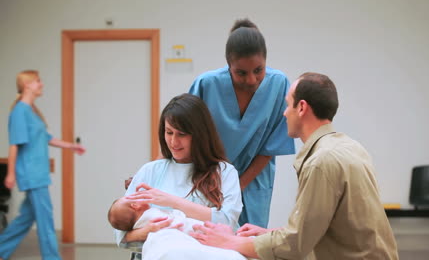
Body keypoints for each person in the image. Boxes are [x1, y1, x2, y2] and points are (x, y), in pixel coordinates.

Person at [190, 73, 399, 259]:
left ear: (301, 108)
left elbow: (296, 245)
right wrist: (269, 235)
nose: (284, 113)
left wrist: (231, 242)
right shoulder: (350, 147)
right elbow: (317, 228)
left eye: (288, 104)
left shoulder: (321, 162)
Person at [189, 18, 295, 228]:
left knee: (249, 242)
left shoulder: (279, 83)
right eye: (241, 73)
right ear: (229, 66)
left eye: (258, 70)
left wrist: (238, 185)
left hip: (254, 180)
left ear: (266, 60)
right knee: (207, 238)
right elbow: (182, 133)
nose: (251, 80)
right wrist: (153, 172)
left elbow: (271, 146)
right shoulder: (206, 84)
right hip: (210, 180)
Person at [114, 93, 243, 249]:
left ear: (200, 135)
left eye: (182, 134)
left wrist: (172, 201)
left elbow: (227, 222)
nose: (174, 142)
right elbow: (121, 233)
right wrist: (147, 232)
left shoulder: (224, 172)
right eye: (169, 133)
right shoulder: (150, 171)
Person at [0, 70, 86, 260]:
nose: (41, 84)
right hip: (32, 174)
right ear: (27, 85)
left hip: (38, 173)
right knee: (46, 220)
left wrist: (71, 146)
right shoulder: (19, 112)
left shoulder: (31, 111)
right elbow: (14, 144)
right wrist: (10, 173)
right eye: (38, 81)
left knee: (25, 219)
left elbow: (47, 138)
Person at [108, 194, 246, 260]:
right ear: (135, 205)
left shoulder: (142, 221)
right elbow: (173, 224)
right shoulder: (152, 216)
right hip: (184, 234)